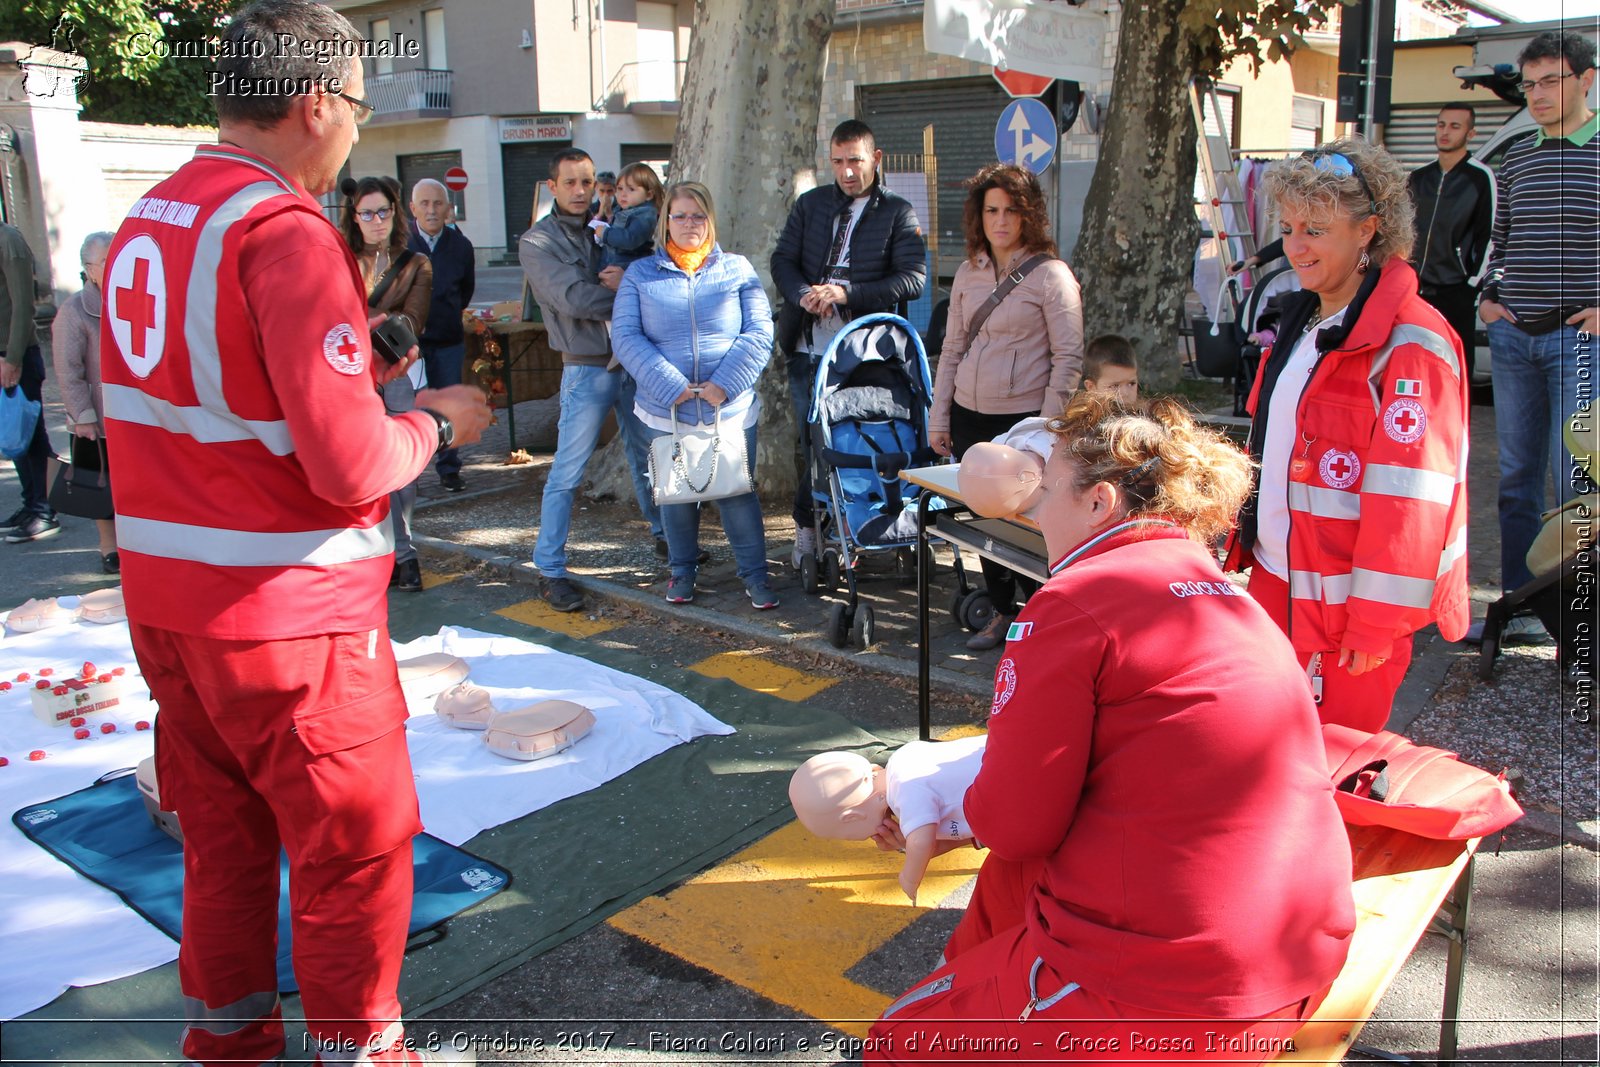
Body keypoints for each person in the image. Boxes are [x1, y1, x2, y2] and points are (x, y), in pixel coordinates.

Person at [98, 2, 491, 1062]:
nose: (358, 131)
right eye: (358, 105)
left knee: (222, 846)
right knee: (351, 854)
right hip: (290, 620)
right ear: (315, 102)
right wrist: (432, 421)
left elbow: (212, 400)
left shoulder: (153, 216)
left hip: (173, 610)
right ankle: (363, 1047)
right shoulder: (282, 229)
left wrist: (360, 373)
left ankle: (227, 1038)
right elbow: (350, 465)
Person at [865, 393, 1355, 1063]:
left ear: (1099, 501)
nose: (1034, 496)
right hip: (1297, 949)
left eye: (1049, 479)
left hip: (1179, 994)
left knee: (894, 1040)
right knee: (1010, 892)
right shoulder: (1220, 591)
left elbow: (1014, 826)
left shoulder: (1071, 602)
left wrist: (945, 811)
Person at [1226, 140, 1470, 733]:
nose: (1294, 246)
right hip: (1279, 581)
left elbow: (1412, 499)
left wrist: (1375, 622)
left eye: (1314, 229)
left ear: (1368, 231)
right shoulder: (1307, 323)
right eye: (1287, 228)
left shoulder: (1411, 344)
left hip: (1343, 612)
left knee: (1331, 774)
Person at [929, 162, 1085, 651]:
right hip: (970, 413)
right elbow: (952, 349)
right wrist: (940, 417)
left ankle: (1046, 618)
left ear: (1028, 214)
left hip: (1024, 421)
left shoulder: (1051, 275)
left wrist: (1046, 426)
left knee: (1034, 523)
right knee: (985, 518)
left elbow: (1069, 357)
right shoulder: (969, 273)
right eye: (991, 210)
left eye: (1011, 210)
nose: (1001, 221)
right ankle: (1000, 612)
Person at [1476, 31, 1599, 641]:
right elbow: (1502, 240)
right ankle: (1521, 608)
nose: (1538, 94)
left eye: (1551, 80)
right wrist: (1490, 301)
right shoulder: (1518, 154)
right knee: (1517, 480)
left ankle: (1575, 624)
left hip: (1581, 339)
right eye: (1529, 84)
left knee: (1575, 483)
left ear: (1586, 79)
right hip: (1514, 337)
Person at [611, 181, 777, 609]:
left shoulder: (737, 269)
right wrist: (671, 386)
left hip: (730, 410)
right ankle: (682, 573)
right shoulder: (640, 274)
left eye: (698, 216)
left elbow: (759, 331)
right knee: (675, 493)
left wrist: (727, 382)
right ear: (666, 220)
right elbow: (626, 337)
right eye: (680, 215)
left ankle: (756, 577)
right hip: (665, 410)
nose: (689, 224)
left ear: (711, 221)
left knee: (736, 493)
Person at [771, 119, 926, 570]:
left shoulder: (898, 211)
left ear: (875, 159)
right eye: (838, 162)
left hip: (867, 355)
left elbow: (913, 279)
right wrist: (804, 294)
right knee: (813, 443)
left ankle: (870, 520)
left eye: (855, 161)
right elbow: (782, 261)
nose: (847, 172)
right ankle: (810, 526)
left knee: (861, 440)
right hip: (808, 348)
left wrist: (846, 293)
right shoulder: (811, 205)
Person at [520, 147, 664, 613]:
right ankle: (550, 568)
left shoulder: (613, 225)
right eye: (570, 183)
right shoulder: (537, 242)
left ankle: (668, 541)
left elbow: (654, 267)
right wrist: (635, 295)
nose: (581, 191)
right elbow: (575, 298)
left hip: (633, 358)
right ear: (554, 187)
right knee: (568, 471)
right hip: (585, 364)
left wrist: (634, 285)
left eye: (587, 182)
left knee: (650, 457)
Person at [345, 175, 433, 592]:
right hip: (347, 372)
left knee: (400, 467)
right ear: (354, 216)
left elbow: (412, 321)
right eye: (367, 213)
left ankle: (405, 552)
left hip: (398, 368)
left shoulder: (416, 263)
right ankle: (379, 551)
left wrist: (363, 323)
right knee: (357, 465)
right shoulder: (339, 258)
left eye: (383, 211)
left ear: (395, 213)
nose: (376, 220)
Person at [789, 735, 984, 904]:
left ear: (852, 817)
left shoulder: (904, 794)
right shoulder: (904, 756)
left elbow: (921, 841)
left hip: (1010, 793)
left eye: (849, 836)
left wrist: (910, 877)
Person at [1407, 103, 1495, 380]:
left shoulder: (1479, 178)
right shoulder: (1419, 178)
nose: (1445, 132)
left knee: (1456, 370)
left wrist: (1472, 283)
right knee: (1414, 364)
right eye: (1441, 124)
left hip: (1456, 290)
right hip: (1415, 289)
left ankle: (1457, 425)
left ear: (1471, 133)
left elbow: (1490, 234)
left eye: (1455, 126)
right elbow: (1403, 229)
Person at [49, 231, 119, 571]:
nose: (115, 263)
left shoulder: (135, 299)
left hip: (135, 413)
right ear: (89, 269)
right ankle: (109, 547)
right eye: (106, 260)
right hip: (98, 418)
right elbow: (67, 369)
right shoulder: (75, 310)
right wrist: (83, 415)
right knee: (99, 484)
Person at [407, 177, 475, 493]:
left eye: (437, 203)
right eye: (425, 204)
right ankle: (410, 472)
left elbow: (465, 291)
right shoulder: (401, 245)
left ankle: (449, 469)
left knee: (447, 406)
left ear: (448, 209)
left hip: (448, 341)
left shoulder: (461, 246)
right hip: (410, 345)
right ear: (413, 209)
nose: (432, 210)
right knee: (410, 406)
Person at [0, 220, 55, 544]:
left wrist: (13, 358)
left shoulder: (9, 240)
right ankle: (30, 502)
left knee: (31, 435)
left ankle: (45, 508)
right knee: (13, 433)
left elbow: (23, 305)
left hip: (15, 353)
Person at [591, 161, 664, 271]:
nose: (623, 194)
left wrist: (605, 233)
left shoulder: (645, 215)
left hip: (629, 265)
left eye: (631, 189)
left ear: (648, 195)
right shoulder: (621, 208)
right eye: (620, 189)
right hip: (610, 261)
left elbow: (630, 239)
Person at [1079, 333, 1139, 404]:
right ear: (1091, 387)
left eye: (1131, 384)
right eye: (1114, 386)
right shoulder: (1082, 414)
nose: (1125, 393)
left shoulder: (1144, 413)